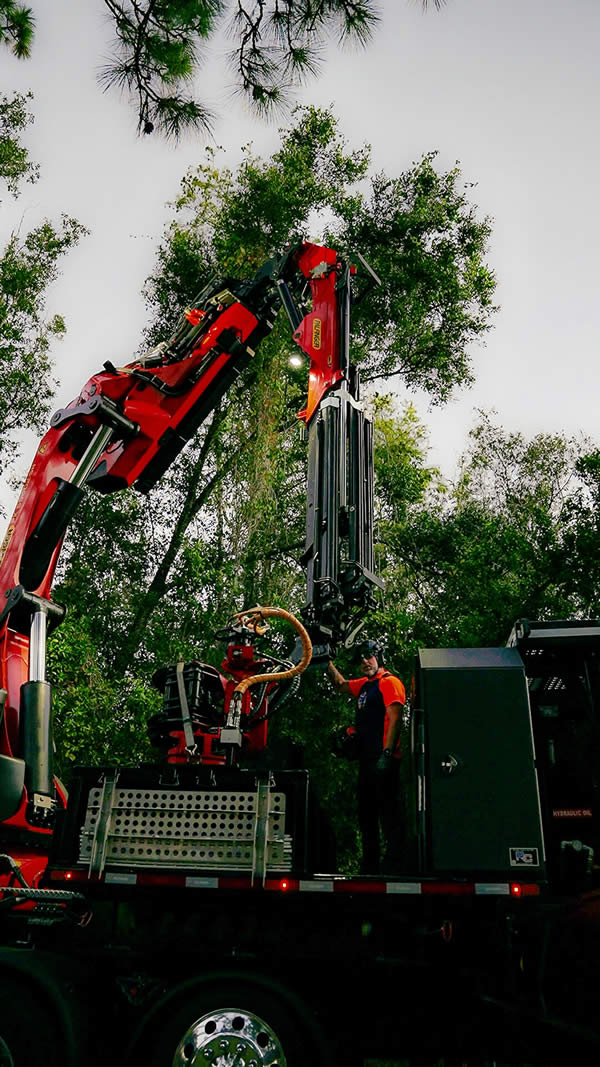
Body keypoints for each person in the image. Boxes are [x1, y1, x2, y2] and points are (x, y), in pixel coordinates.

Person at [328, 639, 406, 875]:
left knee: (389, 814)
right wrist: (325, 661)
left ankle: (395, 865)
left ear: (379, 657)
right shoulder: (365, 686)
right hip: (366, 761)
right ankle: (370, 866)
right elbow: (341, 685)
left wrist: (387, 753)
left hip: (384, 760)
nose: (364, 661)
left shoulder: (389, 682)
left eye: (369, 656)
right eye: (361, 658)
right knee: (367, 814)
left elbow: (395, 718)